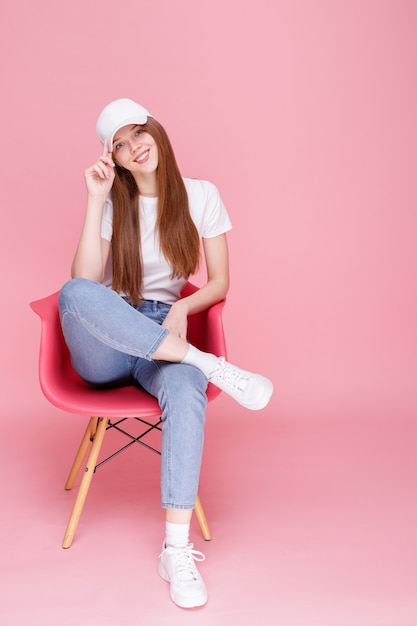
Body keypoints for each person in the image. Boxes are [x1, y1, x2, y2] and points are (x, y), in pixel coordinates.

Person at [58, 98, 273, 608]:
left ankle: (176, 550)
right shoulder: (113, 200)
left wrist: (183, 308)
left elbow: (218, 282)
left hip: (165, 335)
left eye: (139, 133)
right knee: (72, 292)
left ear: (156, 130)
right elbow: (87, 284)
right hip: (108, 341)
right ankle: (206, 363)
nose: (136, 148)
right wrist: (95, 198)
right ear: (113, 157)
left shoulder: (201, 195)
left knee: (185, 388)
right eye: (121, 145)